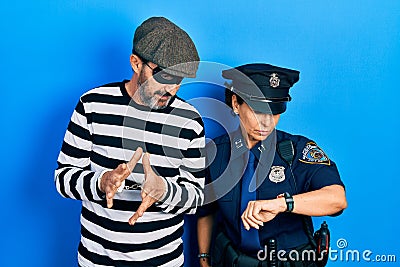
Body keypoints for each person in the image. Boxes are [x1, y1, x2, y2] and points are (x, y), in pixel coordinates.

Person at [54, 17, 205, 267]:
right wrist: (102, 182)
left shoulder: (189, 121)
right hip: (97, 260)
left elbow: (195, 197)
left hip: (163, 262)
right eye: (164, 76)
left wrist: (164, 191)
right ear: (136, 63)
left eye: (179, 80)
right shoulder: (92, 105)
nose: (172, 89)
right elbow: (62, 178)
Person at [197, 63, 347, 267]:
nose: (267, 123)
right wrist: (204, 259)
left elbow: (337, 199)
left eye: (275, 112)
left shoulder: (296, 151)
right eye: (258, 111)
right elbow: (207, 212)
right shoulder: (216, 153)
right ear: (235, 103)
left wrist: (282, 204)